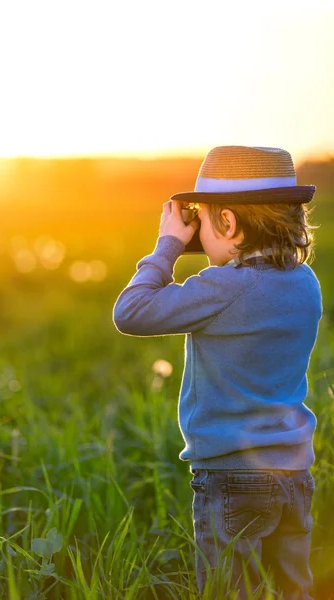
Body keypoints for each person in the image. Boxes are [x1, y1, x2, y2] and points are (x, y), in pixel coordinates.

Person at [112, 146, 323, 599]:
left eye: (203, 223)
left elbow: (130, 312)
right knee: (294, 589)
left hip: (231, 478)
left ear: (228, 222)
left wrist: (168, 246)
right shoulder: (306, 282)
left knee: (230, 592)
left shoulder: (222, 287)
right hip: (295, 475)